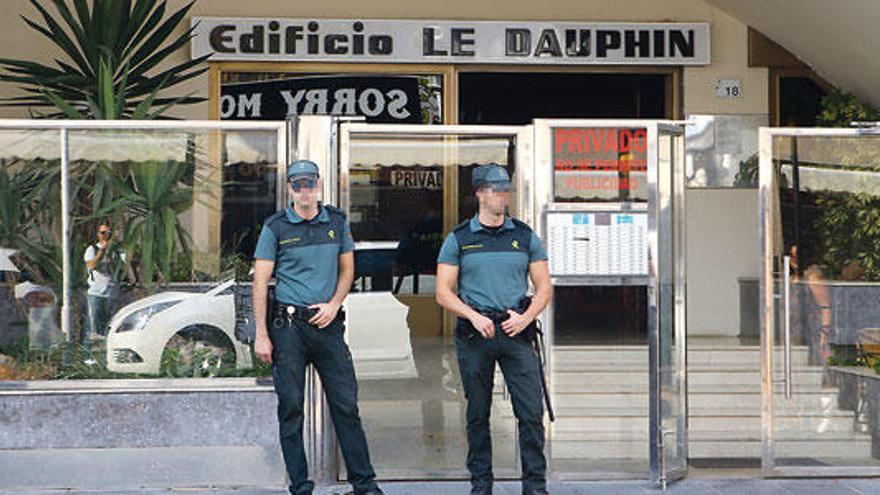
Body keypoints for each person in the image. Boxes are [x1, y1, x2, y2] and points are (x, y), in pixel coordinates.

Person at [252, 159, 383, 495]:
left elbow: (347, 270)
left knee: (345, 405)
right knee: (291, 407)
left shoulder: (336, 222)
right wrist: (262, 334)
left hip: (327, 325)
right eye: (298, 185)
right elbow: (261, 282)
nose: (305, 191)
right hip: (288, 327)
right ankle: (300, 486)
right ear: (290, 189)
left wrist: (335, 303)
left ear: (319, 185)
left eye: (310, 184)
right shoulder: (276, 226)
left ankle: (364, 484)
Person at [436, 164, 553, 495]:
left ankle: (535, 486)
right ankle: (481, 485)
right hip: (477, 334)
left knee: (530, 412)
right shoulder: (459, 238)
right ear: (479, 193)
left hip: (517, 331)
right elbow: (443, 291)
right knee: (477, 413)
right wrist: (472, 315)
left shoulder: (524, 235)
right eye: (497, 189)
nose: (503, 195)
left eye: (506, 189)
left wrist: (526, 317)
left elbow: (544, 287)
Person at [83, 222, 124, 343]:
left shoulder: (118, 251)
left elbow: (125, 267)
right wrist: (102, 251)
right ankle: (88, 358)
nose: (106, 235)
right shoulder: (92, 249)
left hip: (112, 295)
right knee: (93, 330)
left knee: (111, 330)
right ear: (98, 234)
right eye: (103, 233)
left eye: (109, 233)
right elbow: (91, 265)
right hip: (96, 294)